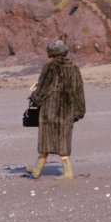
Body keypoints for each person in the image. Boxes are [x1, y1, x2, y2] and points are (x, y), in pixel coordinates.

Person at [27, 39, 86, 179]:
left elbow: (43, 88)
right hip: (68, 109)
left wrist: (34, 97)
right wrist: (79, 110)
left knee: (45, 138)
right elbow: (79, 90)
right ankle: (51, 170)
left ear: (51, 53)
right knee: (63, 138)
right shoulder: (74, 67)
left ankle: (39, 169)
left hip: (50, 109)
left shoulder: (50, 66)